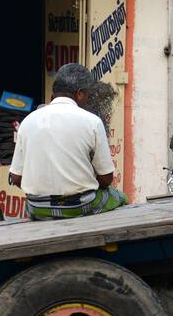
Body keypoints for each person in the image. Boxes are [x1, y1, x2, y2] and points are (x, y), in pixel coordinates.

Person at [10, 63, 127, 220]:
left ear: (53, 96)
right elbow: (106, 179)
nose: (87, 100)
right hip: (78, 206)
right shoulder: (92, 121)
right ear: (79, 94)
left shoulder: (27, 121)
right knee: (120, 197)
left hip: (37, 208)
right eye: (87, 95)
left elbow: (16, 178)